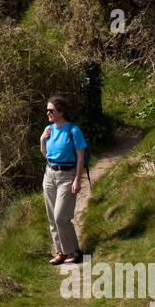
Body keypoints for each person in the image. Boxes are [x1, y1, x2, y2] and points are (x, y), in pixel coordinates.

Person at [40, 95, 86, 265]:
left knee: (61, 216)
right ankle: (60, 252)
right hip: (50, 174)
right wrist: (42, 140)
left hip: (67, 175)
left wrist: (77, 180)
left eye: (51, 110)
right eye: (47, 110)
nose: (48, 113)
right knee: (52, 217)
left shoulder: (73, 131)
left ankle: (74, 251)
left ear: (61, 111)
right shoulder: (49, 129)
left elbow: (80, 158)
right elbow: (47, 156)